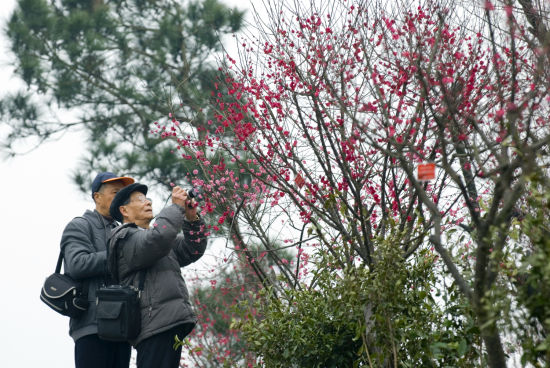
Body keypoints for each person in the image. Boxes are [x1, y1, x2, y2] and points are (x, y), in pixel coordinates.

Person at [108, 183, 207, 368]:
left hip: (166, 322)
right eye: (139, 200)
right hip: (153, 326)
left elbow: (191, 249)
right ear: (124, 210)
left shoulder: (149, 237)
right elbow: (158, 238)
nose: (147, 203)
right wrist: (176, 207)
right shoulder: (123, 238)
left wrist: (192, 220)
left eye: (148, 199)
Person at [61, 172, 135, 368]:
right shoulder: (80, 225)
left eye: (124, 193)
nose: (122, 197)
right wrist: (118, 254)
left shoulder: (124, 230)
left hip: (122, 327)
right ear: (97, 197)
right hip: (91, 327)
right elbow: (77, 264)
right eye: (116, 192)